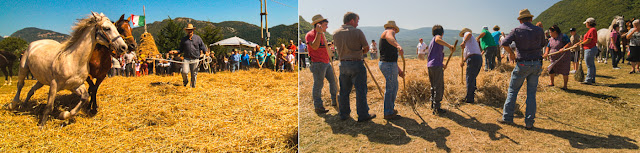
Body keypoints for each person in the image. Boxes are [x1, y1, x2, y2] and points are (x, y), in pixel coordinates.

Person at [498, 9, 545, 130]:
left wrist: (511, 54)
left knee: (513, 90)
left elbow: (504, 43)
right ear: (530, 19)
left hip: (522, 64)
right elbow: (543, 44)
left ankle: (507, 117)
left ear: (519, 20)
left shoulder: (516, 30)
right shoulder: (539, 30)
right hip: (536, 64)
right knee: (531, 94)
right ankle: (529, 122)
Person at [333, 12, 376, 121]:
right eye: (357, 21)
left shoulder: (336, 33)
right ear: (351, 20)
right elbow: (366, 48)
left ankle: (344, 114)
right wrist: (360, 52)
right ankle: (362, 115)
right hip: (356, 63)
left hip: (343, 64)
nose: (357, 23)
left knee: (344, 91)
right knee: (361, 90)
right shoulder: (357, 32)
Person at [306, 14, 338, 114]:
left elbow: (324, 46)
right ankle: (318, 106)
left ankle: (335, 100)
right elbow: (314, 47)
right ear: (318, 25)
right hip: (317, 63)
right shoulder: (310, 35)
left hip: (326, 62)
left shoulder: (323, 35)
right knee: (318, 85)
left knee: (333, 81)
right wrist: (319, 33)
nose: (327, 27)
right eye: (325, 25)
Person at [378, 21, 405, 119]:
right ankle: (388, 112)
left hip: (389, 64)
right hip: (388, 64)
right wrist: (398, 45)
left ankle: (390, 109)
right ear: (394, 28)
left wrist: (398, 70)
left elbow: (390, 56)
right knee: (391, 88)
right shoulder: (389, 31)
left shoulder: (388, 34)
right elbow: (390, 37)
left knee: (394, 86)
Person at [425, 25, 455, 115]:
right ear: (442, 33)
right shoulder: (437, 38)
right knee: (439, 86)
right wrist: (449, 46)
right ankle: (437, 108)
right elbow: (438, 39)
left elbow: (433, 56)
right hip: (435, 66)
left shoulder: (431, 42)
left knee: (433, 85)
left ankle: (433, 105)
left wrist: (442, 64)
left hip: (431, 65)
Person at [459, 28, 483, 103]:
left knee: (469, 78)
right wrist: (463, 61)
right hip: (478, 58)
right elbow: (468, 53)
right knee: (472, 78)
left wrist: (464, 42)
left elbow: (469, 34)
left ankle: (469, 99)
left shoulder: (467, 34)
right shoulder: (471, 42)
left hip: (473, 59)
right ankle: (472, 94)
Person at [544, 25, 571, 89]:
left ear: (555, 31)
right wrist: (546, 52)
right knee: (551, 69)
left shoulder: (563, 36)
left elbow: (569, 43)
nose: (550, 33)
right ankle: (552, 83)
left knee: (565, 71)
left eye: (550, 32)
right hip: (553, 57)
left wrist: (563, 48)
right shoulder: (551, 39)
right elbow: (548, 46)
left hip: (563, 57)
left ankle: (565, 86)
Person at [575, 17, 598, 84]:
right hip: (591, 48)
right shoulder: (592, 30)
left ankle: (588, 80)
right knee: (592, 65)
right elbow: (586, 39)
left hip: (590, 49)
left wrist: (582, 43)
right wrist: (580, 42)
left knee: (589, 65)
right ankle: (592, 79)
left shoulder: (592, 30)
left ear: (589, 23)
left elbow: (589, 40)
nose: (585, 24)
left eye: (586, 23)